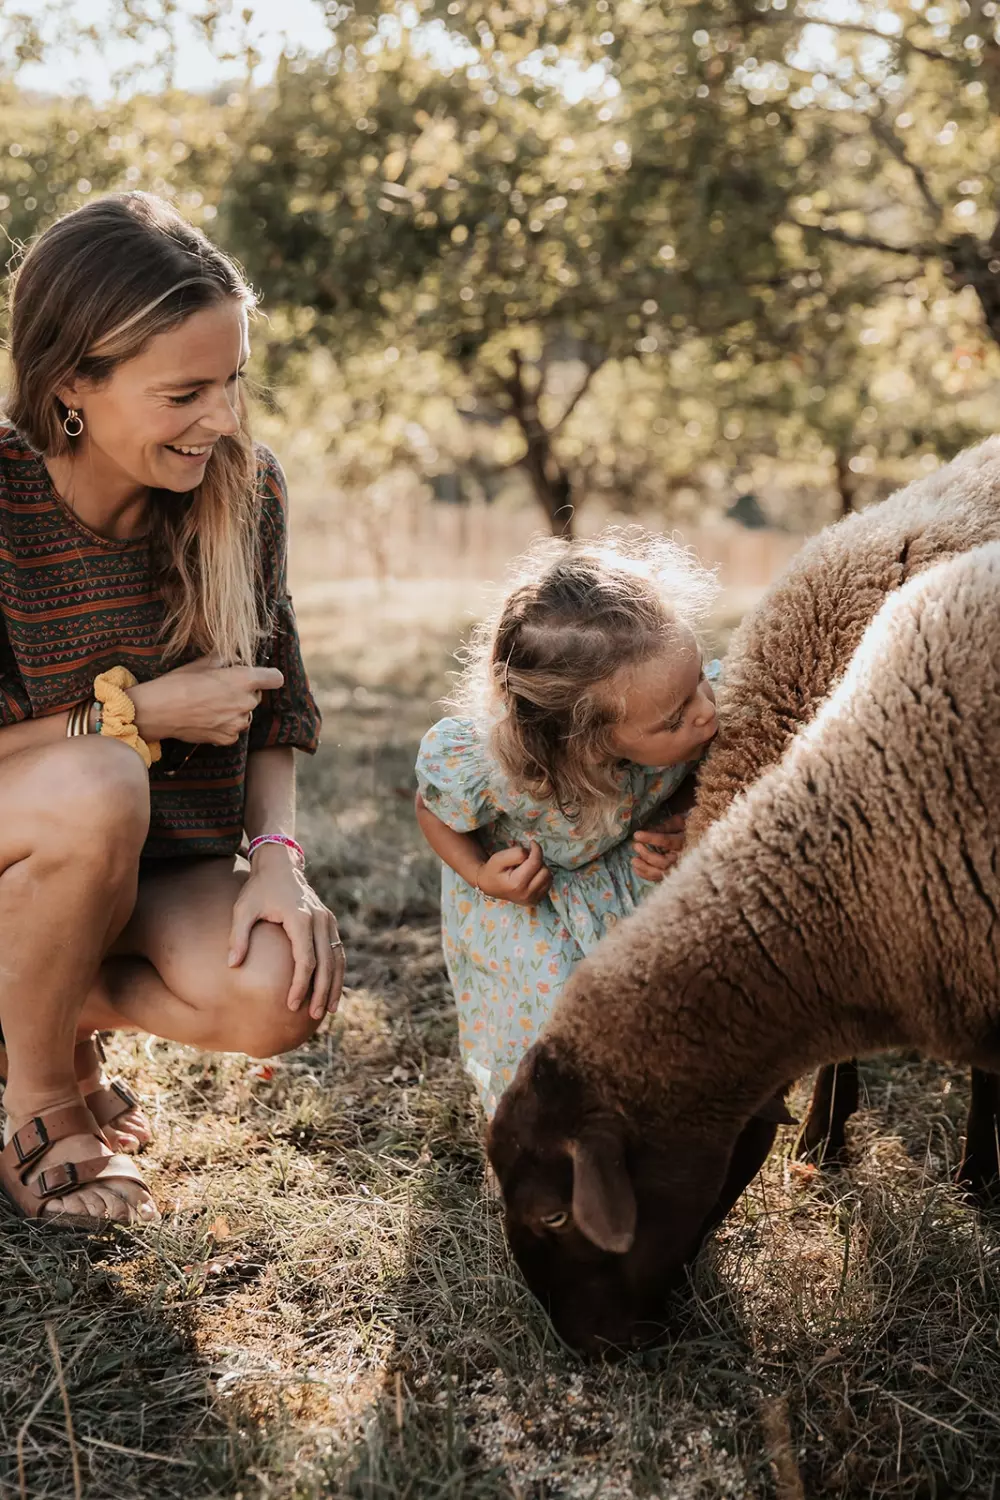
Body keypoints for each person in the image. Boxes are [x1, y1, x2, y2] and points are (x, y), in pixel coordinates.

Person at [0, 192, 344, 1226]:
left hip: (158, 863)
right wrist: (136, 714)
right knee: (99, 778)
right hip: (30, 831)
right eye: (185, 392)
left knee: (279, 985)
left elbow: (274, 701)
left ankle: (39, 1005)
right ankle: (40, 1101)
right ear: (72, 384)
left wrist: (277, 859)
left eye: (232, 380)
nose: (223, 419)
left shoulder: (244, 490)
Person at [415, 530, 720, 1116]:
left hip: (627, 890)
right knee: (548, 1042)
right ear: (583, 739)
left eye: (701, 678)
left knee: (654, 1016)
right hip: (533, 914)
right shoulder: (491, 768)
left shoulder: (675, 702)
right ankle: (543, 1133)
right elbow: (432, 809)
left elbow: (701, 775)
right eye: (677, 716)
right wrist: (480, 873)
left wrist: (687, 819)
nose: (705, 710)